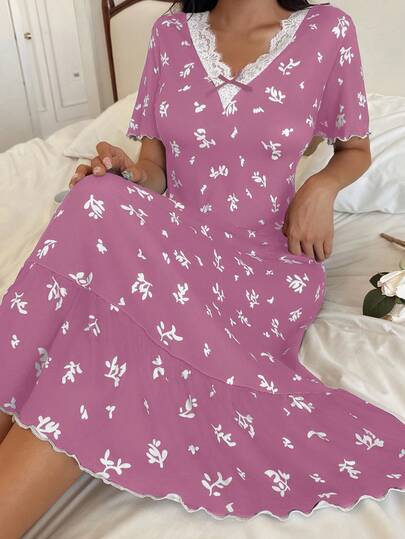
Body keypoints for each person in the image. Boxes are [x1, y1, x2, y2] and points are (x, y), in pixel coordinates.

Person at [0, 0, 404, 534]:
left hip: (262, 267)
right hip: (174, 239)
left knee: (104, 311)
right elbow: (155, 169)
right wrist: (128, 176)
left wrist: (320, 187)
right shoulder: (170, 33)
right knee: (96, 196)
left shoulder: (327, 30)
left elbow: (354, 149)